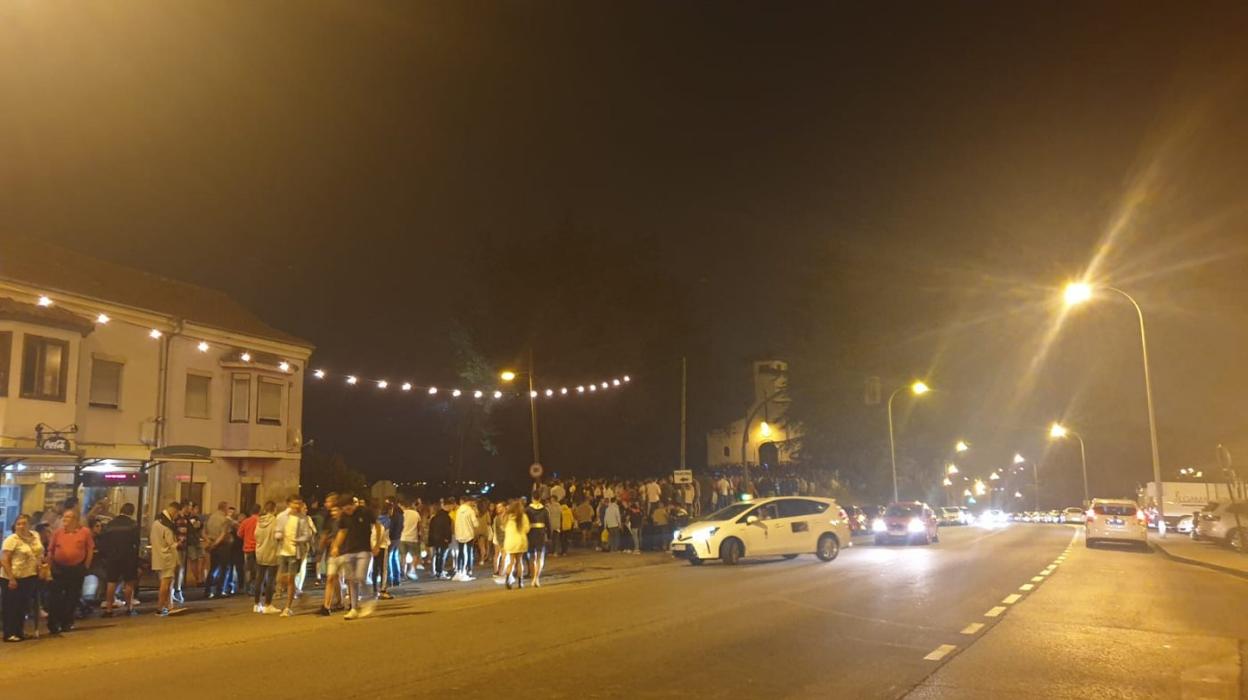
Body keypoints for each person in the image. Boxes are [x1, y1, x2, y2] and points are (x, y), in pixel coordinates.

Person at [46, 509, 94, 634]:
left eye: (68, 517)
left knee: (72, 596)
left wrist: (86, 566)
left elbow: (90, 549)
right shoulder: (58, 533)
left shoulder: (84, 532)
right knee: (56, 597)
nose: (65, 520)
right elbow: (50, 549)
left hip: (76, 568)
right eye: (64, 517)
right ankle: (53, 622)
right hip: (59, 568)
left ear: (75, 520)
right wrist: (49, 566)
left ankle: (66, 622)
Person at [331, 495, 377, 619]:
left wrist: (376, 544)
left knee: (361, 577)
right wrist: (336, 546)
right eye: (345, 509)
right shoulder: (344, 516)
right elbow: (342, 532)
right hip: (348, 551)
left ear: (354, 504)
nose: (348, 511)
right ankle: (354, 608)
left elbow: (376, 526)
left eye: (349, 508)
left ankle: (369, 600)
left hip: (364, 550)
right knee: (351, 580)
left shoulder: (365, 512)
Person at [2, 514, 44, 642]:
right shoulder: (11, 539)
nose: (21, 526)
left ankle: (19, 631)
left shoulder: (35, 536)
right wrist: (11, 578)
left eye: (24, 523)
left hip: (30, 575)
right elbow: (4, 560)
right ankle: (9, 633)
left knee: (23, 606)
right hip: (13, 576)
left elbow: (39, 553)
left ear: (29, 525)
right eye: (18, 524)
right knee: (11, 606)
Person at [97, 503, 140, 617]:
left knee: (111, 582)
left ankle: (109, 609)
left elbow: (104, 541)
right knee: (129, 582)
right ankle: (129, 608)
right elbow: (137, 542)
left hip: (113, 557)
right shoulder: (133, 525)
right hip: (128, 557)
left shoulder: (110, 524)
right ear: (131, 512)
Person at [273, 496, 312, 617]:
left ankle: (287, 607)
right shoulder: (281, 517)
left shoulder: (303, 518)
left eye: (299, 504)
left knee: (290, 579)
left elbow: (307, 534)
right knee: (280, 579)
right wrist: (278, 535)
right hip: (282, 550)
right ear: (288, 503)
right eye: (295, 503)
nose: (297, 506)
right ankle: (299, 592)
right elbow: (277, 530)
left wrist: (299, 540)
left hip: (295, 551)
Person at [151, 502, 181, 616]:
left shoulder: (156, 523)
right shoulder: (166, 525)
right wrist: (179, 543)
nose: (177, 516)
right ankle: (160, 607)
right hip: (167, 557)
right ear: (174, 510)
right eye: (177, 513)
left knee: (165, 582)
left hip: (158, 556)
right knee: (166, 583)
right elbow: (171, 544)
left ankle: (168, 605)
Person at [317, 493, 344, 617]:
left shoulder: (345, 519)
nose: (326, 504)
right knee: (332, 578)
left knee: (345, 579)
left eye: (329, 501)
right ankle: (327, 605)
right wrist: (321, 549)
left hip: (344, 552)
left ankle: (346, 602)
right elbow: (324, 535)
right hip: (332, 552)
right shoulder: (328, 518)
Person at [252, 501, 280, 614]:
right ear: (274, 509)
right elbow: (278, 536)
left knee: (259, 578)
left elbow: (256, 535)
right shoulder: (275, 521)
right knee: (271, 579)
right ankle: (268, 604)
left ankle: (256, 603)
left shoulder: (259, 521)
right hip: (272, 552)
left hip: (260, 551)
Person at [497, 500, 529, 590]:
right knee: (519, 562)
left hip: (510, 542)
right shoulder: (523, 516)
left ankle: (507, 579)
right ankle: (520, 582)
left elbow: (503, 528)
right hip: (520, 541)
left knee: (511, 562)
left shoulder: (507, 517)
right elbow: (527, 529)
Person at [203, 501, 233, 599]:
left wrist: (209, 542)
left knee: (213, 568)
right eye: (228, 508)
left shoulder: (210, 517)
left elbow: (203, 532)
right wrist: (216, 543)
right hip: (222, 545)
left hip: (212, 544)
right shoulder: (225, 520)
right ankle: (219, 590)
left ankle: (207, 590)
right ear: (224, 508)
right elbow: (223, 534)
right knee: (224, 569)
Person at [524, 498, 550, 587]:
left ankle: (532, 578)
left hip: (530, 534)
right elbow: (548, 523)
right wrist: (549, 535)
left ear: (532, 498)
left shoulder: (527, 510)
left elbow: (525, 522)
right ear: (539, 499)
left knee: (531, 557)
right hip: (541, 534)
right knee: (539, 557)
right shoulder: (545, 510)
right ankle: (536, 578)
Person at [453, 498, 479, 581]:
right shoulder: (471, 511)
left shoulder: (458, 510)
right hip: (469, 534)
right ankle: (469, 570)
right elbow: (476, 524)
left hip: (459, 534)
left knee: (460, 552)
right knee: (469, 552)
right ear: (469, 501)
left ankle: (460, 569)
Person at [427, 499, 453, 581]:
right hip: (443, 539)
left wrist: (430, 540)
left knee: (438, 555)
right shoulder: (446, 517)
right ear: (447, 506)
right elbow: (447, 529)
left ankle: (437, 572)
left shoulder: (435, 517)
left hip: (435, 539)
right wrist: (448, 538)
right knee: (442, 556)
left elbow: (431, 529)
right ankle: (440, 572)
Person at [238, 504, 260, 596]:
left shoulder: (245, 522)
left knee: (248, 569)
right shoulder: (260, 521)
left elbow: (239, 534)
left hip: (247, 548)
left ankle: (247, 588)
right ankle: (256, 588)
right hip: (259, 548)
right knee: (258, 569)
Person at [398, 499, 422, 581]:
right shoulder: (416, 514)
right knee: (415, 555)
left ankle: (403, 573)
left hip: (402, 537)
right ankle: (412, 570)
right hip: (413, 538)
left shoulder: (402, 514)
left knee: (403, 556)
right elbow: (419, 527)